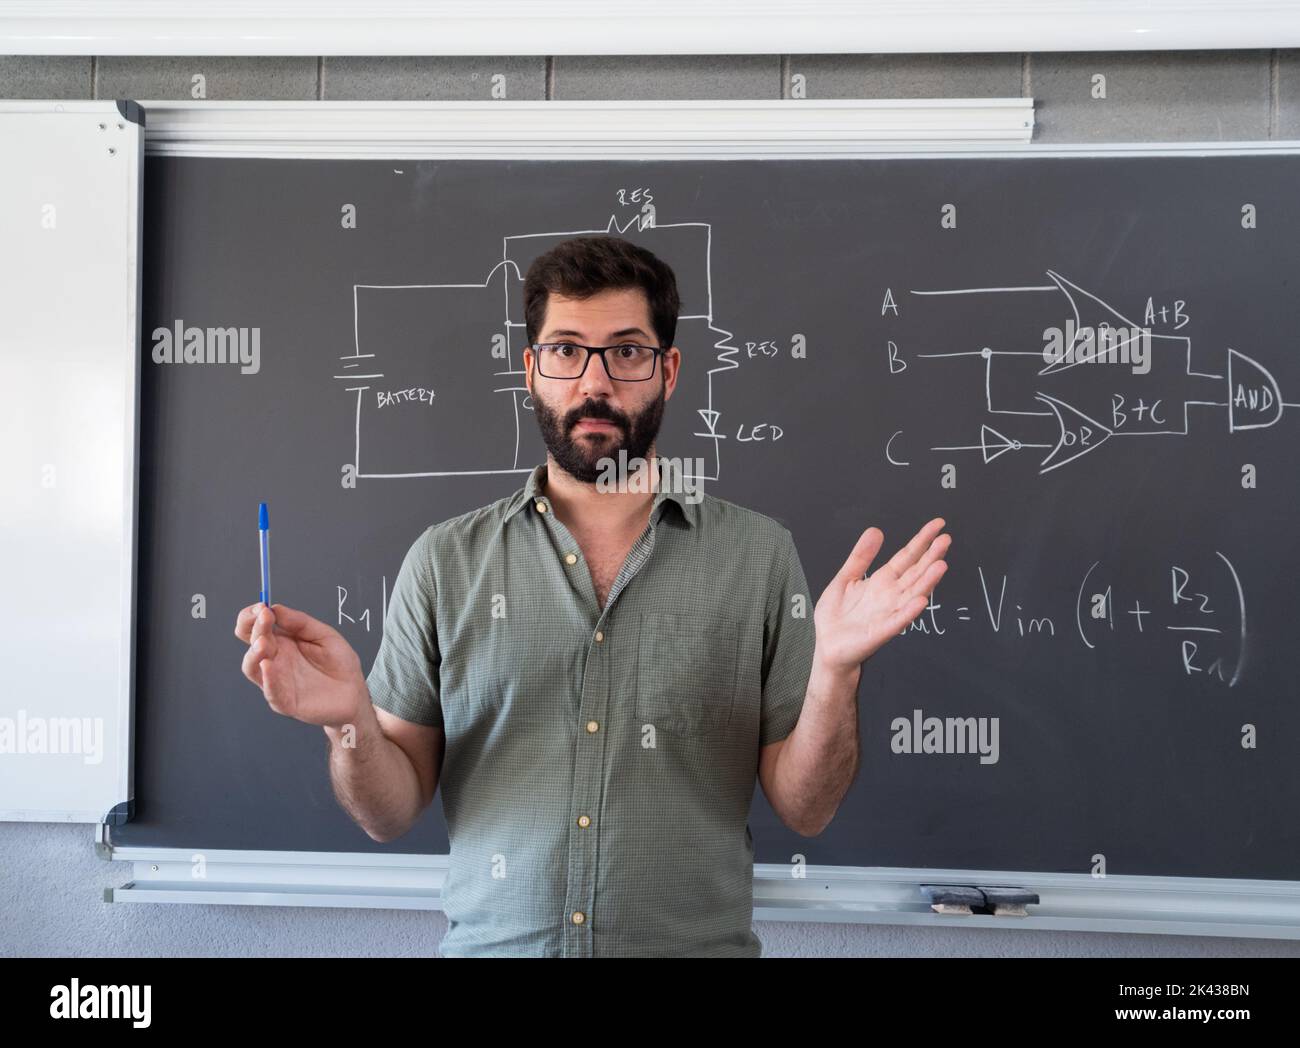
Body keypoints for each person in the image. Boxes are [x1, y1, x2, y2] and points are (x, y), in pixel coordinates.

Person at [234, 234, 950, 957]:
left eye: (628, 351)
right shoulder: (445, 562)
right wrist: (347, 721)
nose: (594, 382)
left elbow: (807, 809)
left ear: (669, 370)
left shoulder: (758, 556)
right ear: (532, 370)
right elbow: (387, 815)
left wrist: (835, 673)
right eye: (567, 350)